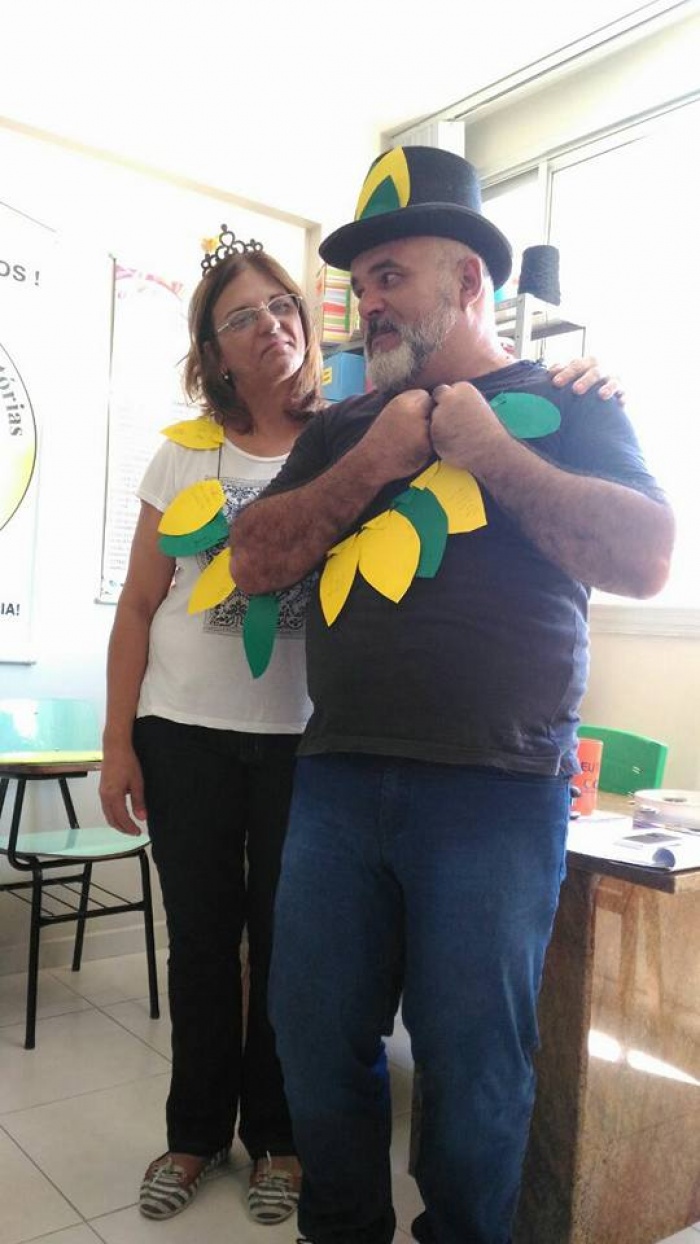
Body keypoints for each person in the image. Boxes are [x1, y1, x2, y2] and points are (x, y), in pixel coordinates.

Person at [229, 146, 675, 1244]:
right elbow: (253, 560)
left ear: (471, 280)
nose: (368, 302)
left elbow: (645, 558)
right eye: (360, 283)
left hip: (496, 789)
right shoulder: (342, 427)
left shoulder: (565, 400)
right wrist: (374, 461)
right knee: (311, 1038)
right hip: (336, 781)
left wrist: (491, 451)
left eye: (392, 275)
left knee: (475, 1071)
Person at [99, 234, 324, 1224]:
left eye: (281, 305)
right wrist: (118, 743)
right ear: (214, 351)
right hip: (181, 732)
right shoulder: (184, 449)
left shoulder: (341, 440)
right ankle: (194, 1134)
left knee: (284, 945)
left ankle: (277, 1136)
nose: (270, 324)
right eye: (243, 316)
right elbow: (138, 605)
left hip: (300, 742)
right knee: (200, 943)